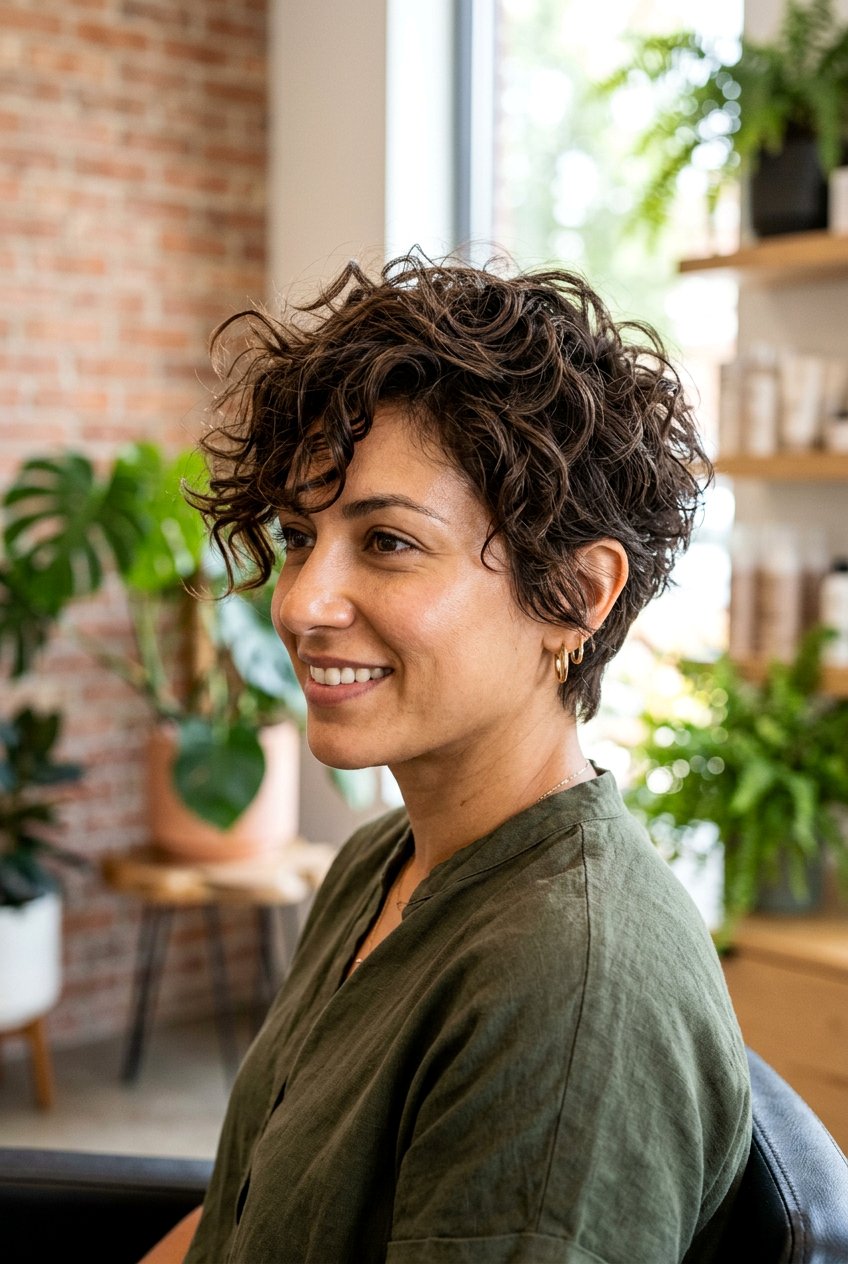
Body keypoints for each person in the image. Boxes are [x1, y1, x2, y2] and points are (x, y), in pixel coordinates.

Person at [145, 253, 751, 1264]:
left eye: (386, 542)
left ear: (575, 594)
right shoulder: (378, 863)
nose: (301, 604)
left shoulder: (565, 992)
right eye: (298, 538)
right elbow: (238, 1221)